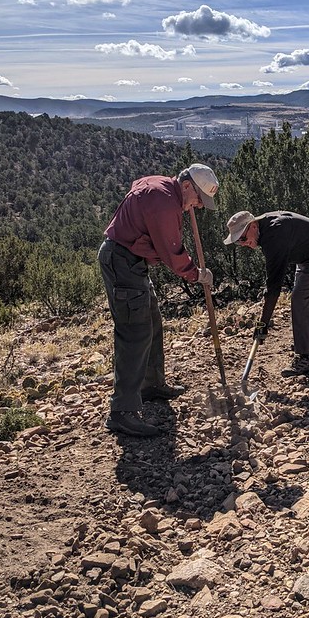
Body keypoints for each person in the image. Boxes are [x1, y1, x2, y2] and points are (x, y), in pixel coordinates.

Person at [98, 164, 219, 437]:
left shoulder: (160, 187)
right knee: (134, 332)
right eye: (199, 199)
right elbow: (172, 252)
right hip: (122, 261)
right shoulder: (164, 202)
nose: (198, 207)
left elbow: (136, 188)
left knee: (151, 322)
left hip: (130, 260)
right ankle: (122, 412)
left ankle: (150, 386)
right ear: (187, 186)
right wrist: (197, 275)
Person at [224, 210, 309, 377]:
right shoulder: (266, 229)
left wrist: (263, 324)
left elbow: (273, 288)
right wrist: (263, 323)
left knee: (299, 299)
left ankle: (304, 358)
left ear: (252, 226)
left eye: (242, 238)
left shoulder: (273, 236)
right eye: (238, 242)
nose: (243, 244)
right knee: (305, 297)